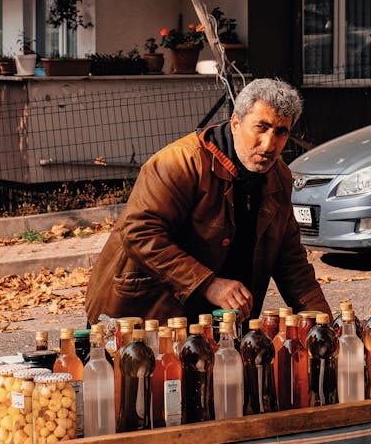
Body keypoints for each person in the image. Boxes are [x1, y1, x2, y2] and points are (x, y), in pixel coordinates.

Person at [85, 78, 331, 325]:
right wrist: (207, 283)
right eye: (261, 127)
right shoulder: (179, 163)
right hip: (142, 314)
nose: (269, 144)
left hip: (217, 323)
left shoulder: (278, 176)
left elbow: (291, 263)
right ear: (236, 123)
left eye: (281, 132)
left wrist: (326, 326)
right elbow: (139, 233)